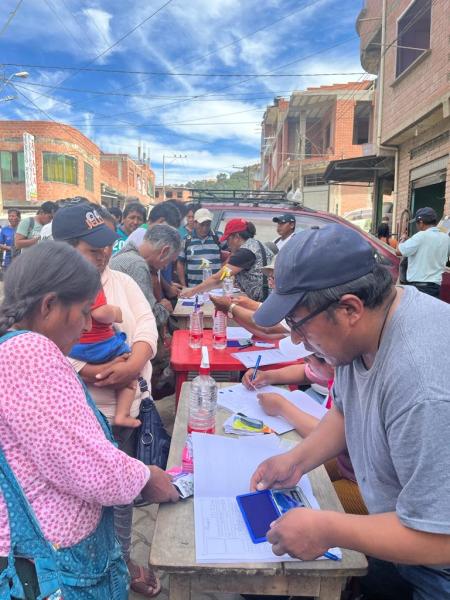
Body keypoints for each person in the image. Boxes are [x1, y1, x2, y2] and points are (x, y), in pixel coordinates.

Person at [250, 223, 450, 599]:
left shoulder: (424, 385)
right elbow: (344, 411)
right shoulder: (359, 333)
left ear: (349, 309)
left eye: (298, 323)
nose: (295, 338)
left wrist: (328, 529)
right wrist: (297, 460)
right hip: (396, 534)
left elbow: (441, 537)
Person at [0, 242, 178, 599]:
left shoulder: (16, 349)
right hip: (55, 563)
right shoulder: (28, 353)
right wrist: (145, 477)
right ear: (49, 304)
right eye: (83, 312)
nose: (86, 326)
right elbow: (85, 465)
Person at [53, 201, 165, 597]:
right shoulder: (53, 293)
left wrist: (133, 364)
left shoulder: (121, 281)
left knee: (124, 495)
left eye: (105, 245)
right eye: (91, 247)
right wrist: (88, 371)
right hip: (82, 416)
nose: (102, 253)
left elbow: (147, 325)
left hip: (125, 406)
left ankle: (122, 558)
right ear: (65, 248)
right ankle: (97, 567)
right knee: (86, 500)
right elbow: (44, 349)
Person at [69, 287, 140, 429]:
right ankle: (122, 414)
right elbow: (101, 313)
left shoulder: (64, 284)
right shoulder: (91, 282)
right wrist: (115, 312)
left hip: (76, 348)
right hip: (101, 347)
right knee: (129, 366)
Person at [182, 219, 274, 302]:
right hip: (269, 297)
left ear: (237, 237)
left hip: (265, 301)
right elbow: (222, 279)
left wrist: (192, 291)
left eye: (228, 239)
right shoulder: (255, 244)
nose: (227, 244)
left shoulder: (244, 254)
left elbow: (218, 278)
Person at [111, 224, 181, 330]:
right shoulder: (137, 265)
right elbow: (150, 318)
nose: (166, 267)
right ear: (164, 251)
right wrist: (164, 307)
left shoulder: (126, 254)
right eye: (169, 261)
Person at [397, 206, 450, 298]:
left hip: (418, 289)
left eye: (417, 223)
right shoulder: (446, 238)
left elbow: (399, 252)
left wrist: (402, 240)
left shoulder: (420, 236)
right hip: (435, 288)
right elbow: (428, 246)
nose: (417, 226)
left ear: (421, 222)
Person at [177, 208, 222, 288]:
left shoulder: (218, 237)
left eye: (207, 224)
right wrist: (184, 286)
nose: (205, 228)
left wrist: (224, 273)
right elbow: (180, 263)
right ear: (195, 223)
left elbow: (233, 255)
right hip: (193, 289)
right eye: (202, 224)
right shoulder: (186, 240)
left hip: (216, 289)